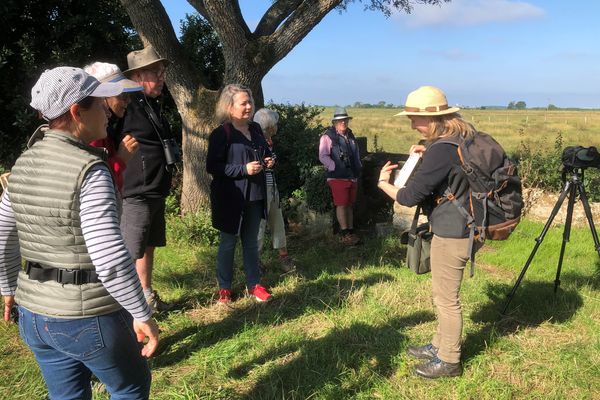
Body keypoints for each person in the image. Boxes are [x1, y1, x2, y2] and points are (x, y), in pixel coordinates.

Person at [0, 67, 159, 399]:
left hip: (34, 314)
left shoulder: (24, 163)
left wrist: (7, 289)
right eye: (98, 105)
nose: (105, 111)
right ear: (76, 112)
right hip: (86, 316)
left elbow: (3, 234)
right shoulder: (90, 170)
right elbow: (111, 258)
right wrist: (141, 313)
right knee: (130, 387)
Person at [377, 85, 482, 379]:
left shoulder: (441, 150)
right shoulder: (461, 138)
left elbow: (409, 197)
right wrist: (426, 155)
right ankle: (439, 344)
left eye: (415, 118)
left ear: (434, 119)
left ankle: (449, 360)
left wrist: (384, 184)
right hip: (464, 225)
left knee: (447, 299)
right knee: (442, 294)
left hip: (453, 231)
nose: (411, 124)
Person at [118, 46, 178, 312]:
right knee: (131, 251)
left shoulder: (150, 104)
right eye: (157, 71)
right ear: (139, 76)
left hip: (155, 188)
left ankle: (146, 297)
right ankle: (127, 310)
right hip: (136, 192)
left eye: (162, 71)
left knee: (148, 246)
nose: (162, 76)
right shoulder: (125, 105)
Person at [206, 84, 274, 304]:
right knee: (228, 243)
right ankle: (224, 288)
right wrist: (243, 170)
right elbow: (213, 167)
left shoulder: (255, 129)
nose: (249, 107)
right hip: (230, 199)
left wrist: (270, 160)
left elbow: (267, 152)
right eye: (243, 103)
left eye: (250, 102)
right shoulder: (221, 134)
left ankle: (254, 285)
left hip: (255, 195)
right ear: (229, 107)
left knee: (251, 243)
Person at [84, 62, 141, 193]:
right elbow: (92, 180)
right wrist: (121, 159)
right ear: (102, 96)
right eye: (122, 95)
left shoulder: (108, 127)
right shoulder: (92, 132)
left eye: (128, 95)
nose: (128, 101)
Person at [253, 108, 296, 273]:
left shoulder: (269, 141)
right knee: (259, 225)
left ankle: (284, 257)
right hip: (259, 190)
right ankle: (254, 262)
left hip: (272, 188)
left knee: (277, 222)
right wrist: (265, 164)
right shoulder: (254, 141)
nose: (277, 126)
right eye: (275, 124)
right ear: (269, 126)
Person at [319, 107, 362, 246]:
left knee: (349, 204)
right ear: (335, 122)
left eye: (345, 120)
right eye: (340, 120)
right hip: (337, 177)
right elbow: (323, 155)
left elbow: (355, 155)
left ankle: (350, 231)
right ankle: (344, 234)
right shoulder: (327, 136)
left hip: (352, 176)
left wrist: (358, 167)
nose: (343, 122)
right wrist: (334, 167)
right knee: (342, 205)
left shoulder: (350, 135)